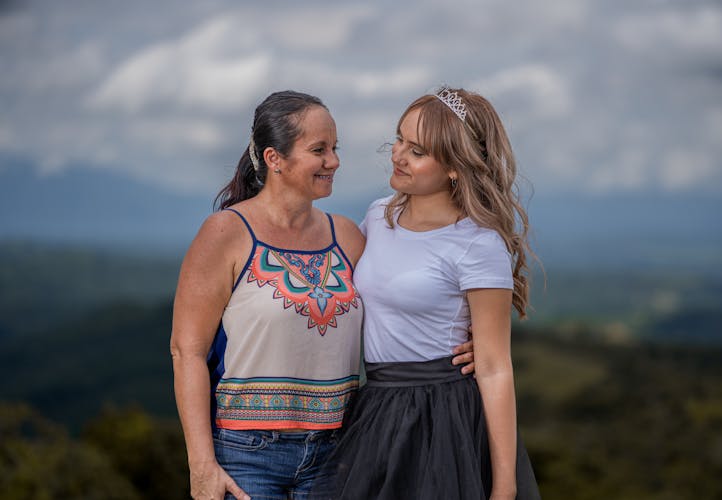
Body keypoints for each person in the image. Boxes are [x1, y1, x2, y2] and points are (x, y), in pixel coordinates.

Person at [170, 90, 476, 500]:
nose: (334, 161)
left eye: (335, 148)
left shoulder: (348, 236)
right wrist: (201, 465)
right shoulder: (226, 233)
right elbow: (186, 351)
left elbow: (403, 293)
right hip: (247, 457)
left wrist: (464, 339)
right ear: (274, 159)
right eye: (319, 150)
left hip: (340, 454)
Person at [316, 87, 541, 499]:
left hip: (442, 417)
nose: (398, 155)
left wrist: (505, 486)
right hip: (375, 406)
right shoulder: (378, 215)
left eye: (417, 151)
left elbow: (494, 368)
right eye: (399, 139)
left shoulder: (477, 243)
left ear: (456, 167)